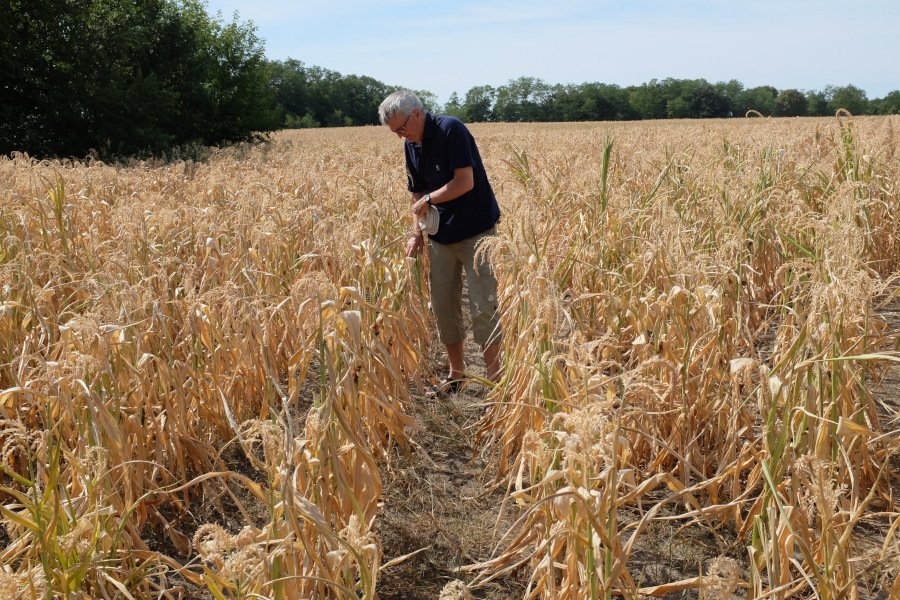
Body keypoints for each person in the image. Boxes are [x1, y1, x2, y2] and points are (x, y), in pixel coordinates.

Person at [378, 90, 502, 392]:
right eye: (395, 132)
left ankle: (496, 382)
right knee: (444, 305)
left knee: (483, 307)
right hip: (440, 236)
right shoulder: (412, 145)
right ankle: (457, 374)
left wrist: (430, 199)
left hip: (476, 233)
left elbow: (465, 182)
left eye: (402, 128)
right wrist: (416, 233)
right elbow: (417, 194)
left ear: (417, 114)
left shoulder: (451, 129)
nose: (400, 136)